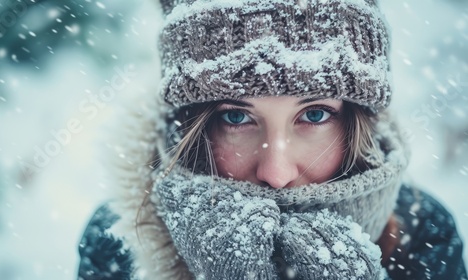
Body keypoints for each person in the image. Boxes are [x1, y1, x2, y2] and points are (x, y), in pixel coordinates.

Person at [77, 0, 468, 279]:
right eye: (236, 117)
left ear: (355, 125)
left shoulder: (423, 235)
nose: (276, 172)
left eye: (314, 115)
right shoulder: (121, 240)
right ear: (192, 130)